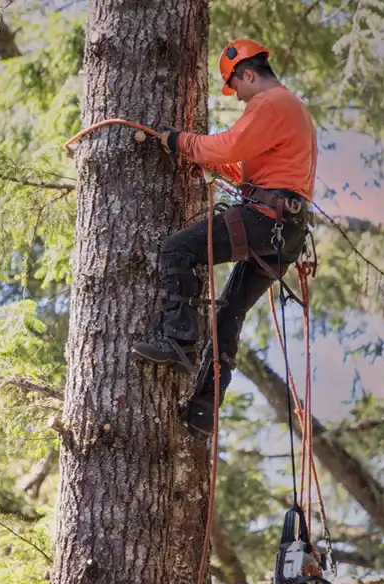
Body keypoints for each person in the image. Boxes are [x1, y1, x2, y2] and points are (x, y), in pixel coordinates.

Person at [130, 39, 319, 437]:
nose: (240, 99)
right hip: (285, 232)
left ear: (248, 74)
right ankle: (202, 411)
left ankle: (178, 339)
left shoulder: (269, 104)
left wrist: (178, 140)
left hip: (265, 220)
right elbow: (248, 162)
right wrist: (198, 154)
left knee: (177, 249)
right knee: (229, 313)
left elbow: (230, 144)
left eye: (238, 88)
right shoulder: (291, 110)